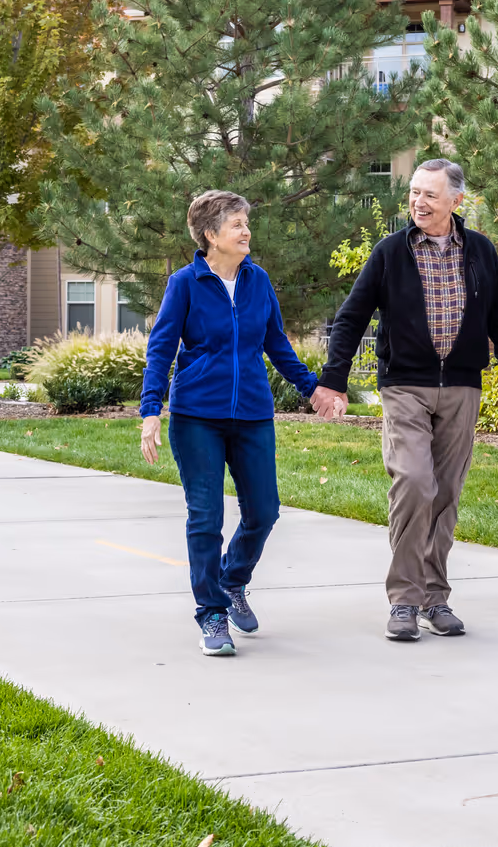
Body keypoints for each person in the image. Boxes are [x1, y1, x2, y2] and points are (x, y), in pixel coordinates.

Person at [316, 159, 498, 641]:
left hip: (460, 387)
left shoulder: (480, 251)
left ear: (456, 201)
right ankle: (404, 600)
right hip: (405, 385)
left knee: (446, 494)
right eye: (414, 192)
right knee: (415, 483)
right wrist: (333, 380)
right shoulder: (391, 251)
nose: (418, 202)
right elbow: (350, 318)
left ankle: (435, 597)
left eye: (430, 195)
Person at [140, 190, 335, 657]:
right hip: (196, 418)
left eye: (246, 223)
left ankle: (232, 581)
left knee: (264, 511)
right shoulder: (185, 284)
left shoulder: (257, 281)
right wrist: (151, 410)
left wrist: (313, 389)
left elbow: (276, 344)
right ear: (210, 234)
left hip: (251, 414)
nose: (246, 232)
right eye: (236, 225)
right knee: (205, 518)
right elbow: (161, 348)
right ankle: (210, 614)